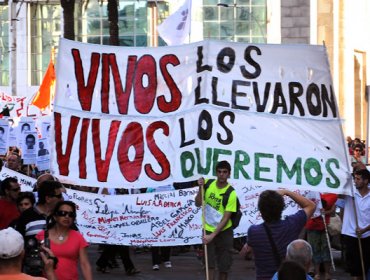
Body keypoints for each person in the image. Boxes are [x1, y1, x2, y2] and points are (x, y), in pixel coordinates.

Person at [246, 189, 316, 280]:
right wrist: (287, 192)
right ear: (282, 208)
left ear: (260, 210)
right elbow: (311, 206)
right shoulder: (292, 224)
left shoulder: (253, 231)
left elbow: (247, 252)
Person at [194, 160, 238, 280]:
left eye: (224, 172)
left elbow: (226, 217)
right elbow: (198, 203)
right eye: (219, 172)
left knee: (224, 266)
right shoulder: (207, 184)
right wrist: (200, 188)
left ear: (229, 174)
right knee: (209, 264)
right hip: (207, 229)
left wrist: (212, 235)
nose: (222, 174)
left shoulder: (231, 193)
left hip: (224, 232)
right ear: (216, 173)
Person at [15, 180, 64, 276]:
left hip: (59, 271)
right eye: (59, 196)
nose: (62, 199)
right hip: (31, 272)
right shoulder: (26, 216)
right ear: (48, 198)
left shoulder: (63, 216)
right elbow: (18, 245)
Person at [36, 201, 92, 280]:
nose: (67, 216)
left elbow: (84, 264)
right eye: (62, 213)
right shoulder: (41, 235)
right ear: (55, 216)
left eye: (70, 214)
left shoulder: (78, 237)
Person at [341, 168, 370, 280]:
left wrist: (364, 230)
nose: (355, 181)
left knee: (365, 267)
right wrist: (346, 182)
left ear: (366, 181)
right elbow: (338, 195)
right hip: (351, 234)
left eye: (358, 179)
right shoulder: (350, 192)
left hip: (367, 235)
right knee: (354, 269)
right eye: (354, 178)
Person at [305, 193, 337, 280]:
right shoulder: (312, 192)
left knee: (326, 249)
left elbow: (333, 211)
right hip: (312, 226)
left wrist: (325, 212)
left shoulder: (332, 194)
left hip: (325, 225)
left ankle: (327, 273)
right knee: (314, 249)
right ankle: (317, 273)